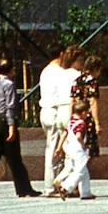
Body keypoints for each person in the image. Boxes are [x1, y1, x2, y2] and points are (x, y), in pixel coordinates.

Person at [0, 59, 39, 199]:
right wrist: (11, 126)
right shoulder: (9, 85)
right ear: (10, 70)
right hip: (4, 122)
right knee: (14, 158)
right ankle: (24, 188)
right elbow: (10, 106)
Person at [38, 43, 77, 184]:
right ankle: (52, 184)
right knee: (56, 150)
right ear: (61, 54)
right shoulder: (61, 72)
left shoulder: (45, 71)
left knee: (51, 147)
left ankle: (54, 183)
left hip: (45, 111)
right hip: (55, 110)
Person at [54, 94, 98, 200]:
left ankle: (85, 192)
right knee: (80, 170)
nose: (87, 114)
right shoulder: (81, 123)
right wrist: (84, 146)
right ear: (83, 113)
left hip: (69, 148)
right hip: (78, 149)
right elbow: (78, 136)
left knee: (84, 170)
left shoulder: (71, 122)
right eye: (87, 112)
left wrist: (59, 147)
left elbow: (64, 134)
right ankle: (65, 187)